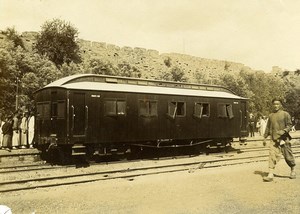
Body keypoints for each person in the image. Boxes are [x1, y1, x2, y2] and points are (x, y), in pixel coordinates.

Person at [263, 98, 296, 182]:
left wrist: (284, 131)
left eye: (277, 104)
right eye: (274, 104)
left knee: (288, 156)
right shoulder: (270, 116)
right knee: (272, 156)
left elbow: (289, 125)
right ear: (272, 105)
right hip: (274, 140)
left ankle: (293, 170)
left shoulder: (285, 114)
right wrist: (264, 137)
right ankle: (270, 174)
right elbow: (267, 127)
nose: (276, 106)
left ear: (281, 105)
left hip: (284, 139)